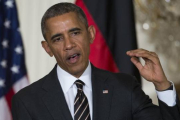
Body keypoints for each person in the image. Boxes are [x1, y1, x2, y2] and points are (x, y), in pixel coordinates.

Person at [12, 2, 180, 120]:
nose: (69, 44)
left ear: (91, 34)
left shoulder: (125, 87)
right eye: (57, 39)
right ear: (47, 48)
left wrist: (162, 85)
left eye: (75, 33)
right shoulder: (27, 101)